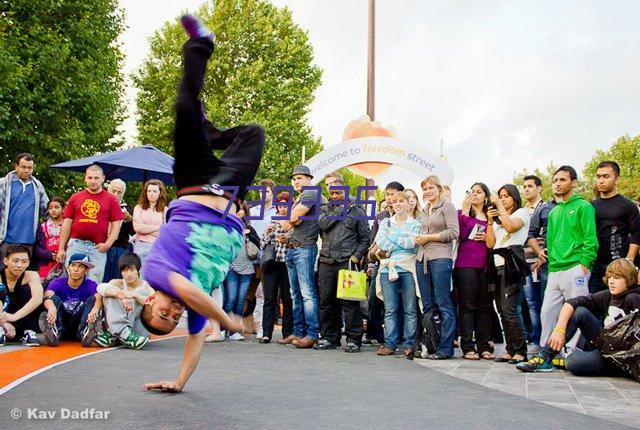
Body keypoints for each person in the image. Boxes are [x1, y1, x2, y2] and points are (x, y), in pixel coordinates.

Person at [139, 15, 264, 393]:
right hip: (227, 193)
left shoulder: (157, 274)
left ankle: (201, 44)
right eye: (172, 319)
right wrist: (178, 382)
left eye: (164, 312)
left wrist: (225, 320)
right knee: (253, 133)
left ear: (149, 301)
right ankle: (207, 130)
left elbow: (194, 294)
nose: (174, 312)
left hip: (194, 182)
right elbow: (193, 342)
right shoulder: (190, 311)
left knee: (183, 106)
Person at [517, 258, 640, 376]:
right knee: (579, 312)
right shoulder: (608, 295)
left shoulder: (634, 298)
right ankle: (545, 356)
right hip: (607, 348)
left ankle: (615, 368)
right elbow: (572, 302)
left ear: (629, 279)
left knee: (573, 362)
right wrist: (559, 330)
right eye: (610, 277)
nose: (611, 281)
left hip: (623, 357)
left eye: (617, 278)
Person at [538, 166, 598, 354]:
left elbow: (590, 239)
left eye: (562, 180)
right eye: (555, 180)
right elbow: (551, 241)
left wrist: (584, 264)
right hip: (555, 269)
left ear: (573, 183)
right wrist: (552, 265)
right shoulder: (554, 212)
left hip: (576, 268)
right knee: (547, 311)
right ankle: (546, 352)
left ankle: (570, 353)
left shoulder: (584, 206)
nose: (557, 184)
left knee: (575, 312)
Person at [316, 179, 370, 352]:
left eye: (339, 192)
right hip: (326, 260)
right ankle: (329, 338)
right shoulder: (325, 209)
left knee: (349, 303)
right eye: (332, 193)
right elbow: (323, 224)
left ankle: (354, 339)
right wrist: (340, 210)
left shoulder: (357, 210)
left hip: (347, 261)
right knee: (326, 302)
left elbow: (365, 238)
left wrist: (356, 257)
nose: (335, 196)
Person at [414, 175, 459, 359]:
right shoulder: (424, 210)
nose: (427, 191)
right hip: (422, 258)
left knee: (443, 304)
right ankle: (431, 344)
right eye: (425, 188)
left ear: (439, 189)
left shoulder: (447, 206)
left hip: (440, 258)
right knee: (427, 305)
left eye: (431, 188)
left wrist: (429, 238)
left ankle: (446, 348)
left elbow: (454, 232)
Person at [486, 184, 530, 364]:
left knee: (509, 308)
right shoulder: (498, 220)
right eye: (500, 196)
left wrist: (500, 206)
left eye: (506, 196)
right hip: (496, 263)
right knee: (501, 309)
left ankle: (520, 350)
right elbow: (490, 243)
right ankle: (510, 348)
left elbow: (511, 228)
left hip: (512, 264)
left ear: (514, 197)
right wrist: (489, 222)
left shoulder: (522, 213)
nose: (502, 199)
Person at [57, 165, 124, 283]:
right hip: (76, 244)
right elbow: (66, 224)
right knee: (71, 279)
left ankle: (90, 302)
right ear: (85, 178)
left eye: (96, 178)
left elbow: (116, 225)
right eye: (90, 177)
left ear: (103, 178)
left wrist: (108, 244)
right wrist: (61, 248)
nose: (93, 181)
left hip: (97, 248)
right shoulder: (75, 197)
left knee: (94, 282)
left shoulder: (111, 199)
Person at [374, 191, 421, 357]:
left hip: (408, 268)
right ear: (391, 205)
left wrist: (392, 236)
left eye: (402, 201)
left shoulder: (416, 223)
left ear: (409, 204)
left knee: (410, 309)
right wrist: (399, 240)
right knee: (390, 309)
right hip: (388, 269)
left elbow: (412, 244)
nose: (398, 204)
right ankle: (390, 344)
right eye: (395, 202)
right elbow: (380, 242)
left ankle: (409, 344)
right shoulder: (386, 222)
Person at [280, 165, 322, 349]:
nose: (296, 181)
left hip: (305, 248)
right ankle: (298, 332)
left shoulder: (311, 193)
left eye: (300, 178)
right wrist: (292, 219)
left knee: (307, 294)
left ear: (309, 179)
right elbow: (289, 224)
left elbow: (293, 217)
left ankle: (312, 334)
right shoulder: (301, 196)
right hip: (293, 248)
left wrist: (293, 218)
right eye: (294, 178)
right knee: (296, 294)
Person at [454, 183, 494, 360]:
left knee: (485, 306)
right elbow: (460, 235)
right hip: (465, 264)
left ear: (486, 196)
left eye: (479, 192)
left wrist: (488, 236)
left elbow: (497, 239)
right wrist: (464, 210)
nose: (475, 195)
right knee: (467, 306)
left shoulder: (492, 216)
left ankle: (484, 345)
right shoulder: (462, 214)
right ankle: (468, 346)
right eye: (472, 192)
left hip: (486, 264)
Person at [589, 161, 640, 293]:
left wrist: (629, 260)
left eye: (606, 176)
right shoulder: (590, 207)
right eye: (598, 176)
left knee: (623, 309)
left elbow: (637, 233)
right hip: (595, 267)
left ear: (617, 179)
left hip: (620, 267)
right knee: (596, 306)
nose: (600, 180)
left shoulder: (628, 205)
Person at [364, 181, 404, 346]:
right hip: (380, 264)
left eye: (393, 194)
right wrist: (370, 263)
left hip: (400, 263)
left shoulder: (405, 215)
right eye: (387, 194)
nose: (389, 198)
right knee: (374, 299)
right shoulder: (380, 217)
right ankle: (374, 334)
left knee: (398, 301)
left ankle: (399, 335)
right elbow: (373, 241)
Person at [90, 253, 154, 349]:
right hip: (127, 334)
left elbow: (154, 304)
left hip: (138, 331)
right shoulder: (118, 283)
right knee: (111, 293)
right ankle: (123, 334)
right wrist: (122, 296)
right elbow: (100, 288)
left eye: (132, 269)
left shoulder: (146, 287)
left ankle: (115, 334)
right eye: (125, 270)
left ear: (139, 270)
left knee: (140, 295)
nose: (129, 274)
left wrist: (134, 295)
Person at [38, 253, 102, 347]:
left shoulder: (90, 284)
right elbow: (48, 295)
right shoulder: (58, 282)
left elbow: (99, 297)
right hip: (62, 322)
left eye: (80, 266)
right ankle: (55, 331)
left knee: (93, 299)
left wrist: (95, 310)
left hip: (79, 323)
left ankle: (85, 332)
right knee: (54, 298)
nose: (76, 269)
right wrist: (52, 308)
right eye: (73, 265)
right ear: (68, 268)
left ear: (86, 270)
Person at [0, 153, 49, 262]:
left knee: (21, 274)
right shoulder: (4, 183)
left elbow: (47, 211)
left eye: (30, 168)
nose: (26, 170)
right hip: (6, 240)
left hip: (28, 240)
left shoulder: (37, 185)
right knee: (4, 274)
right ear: (16, 166)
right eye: (23, 167)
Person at [222, 201, 260, 341]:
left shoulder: (249, 228)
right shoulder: (226, 226)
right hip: (231, 267)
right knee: (230, 298)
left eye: (241, 210)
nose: (238, 212)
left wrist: (249, 236)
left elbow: (258, 247)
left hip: (247, 268)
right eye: (235, 210)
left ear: (245, 211)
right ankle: (222, 328)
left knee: (240, 300)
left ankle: (233, 331)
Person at [262, 192, 293, 344]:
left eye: (285, 206)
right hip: (272, 264)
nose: (282, 209)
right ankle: (266, 332)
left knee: (288, 299)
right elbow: (261, 245)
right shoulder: (272, 221)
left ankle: (287, 333)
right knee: (270, 298)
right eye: (280, 206)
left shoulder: (295, 222)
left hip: (288, 264)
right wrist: (268, 231)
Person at [0, 245, 44, 346]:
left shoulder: (31, 275)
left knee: (28, 290)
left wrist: (13, 317)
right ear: (6, 261)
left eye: (24, 262)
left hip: (20, 317)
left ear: (28, 263)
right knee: (1, 289)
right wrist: (4, 322)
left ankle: (27, 330)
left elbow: (37, 299)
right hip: (4, 317)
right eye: (15, 261)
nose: (19, 265)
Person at [521, 175, 544, 349]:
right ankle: (533, 338)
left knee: (543, 301)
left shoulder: (546, 208)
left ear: (539, 188)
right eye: (524, 186)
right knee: (530, 303)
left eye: (530, 186)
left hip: (542, 261)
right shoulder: (522, 211)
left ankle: (541, 339)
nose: (526, 189)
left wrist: (541, 257)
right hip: (524, 262)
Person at [103, 179, 135, 283]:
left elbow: (133, 232)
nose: (116, 194)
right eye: (114, 191)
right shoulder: (102, 203)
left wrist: (129, 219)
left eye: (119, 192)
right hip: (102, 245)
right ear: (108, 190)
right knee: (102, 275)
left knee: (117, 278)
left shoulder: (128, 207)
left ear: (123, 193)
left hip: (120, 247)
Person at [133, 179, 168, 267]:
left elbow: (165, 234)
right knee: (140, 277)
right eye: (149, 191)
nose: (151, 193)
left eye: (155, 191)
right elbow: (138, 228)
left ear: (160, 193)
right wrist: (159, 227)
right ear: (146, 193)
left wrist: (144, 227)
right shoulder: (138, 208)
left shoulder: (166, 210)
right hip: (140, 247)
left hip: (158, 248)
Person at [34, 197, 66, 280]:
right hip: (47, 262)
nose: (53, 210)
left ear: (63, 209)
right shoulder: (42, 227)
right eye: (50, 208)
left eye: (56, 207)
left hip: (64, 262)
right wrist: (49, 255)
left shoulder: (68, 226)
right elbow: (37, 248)